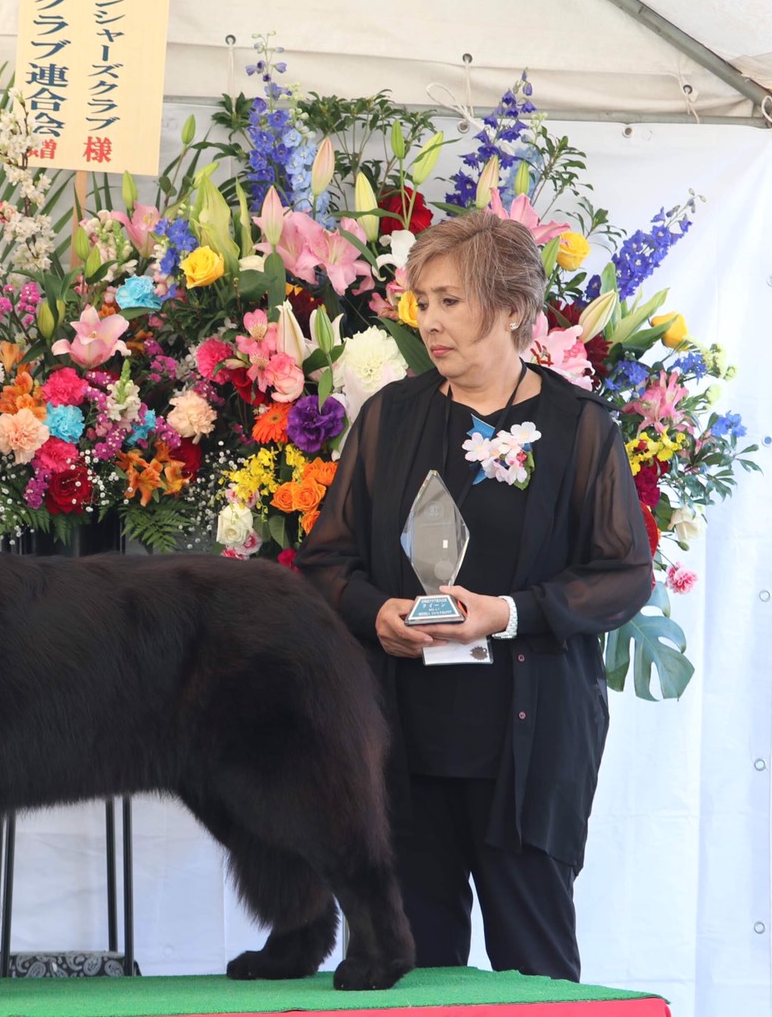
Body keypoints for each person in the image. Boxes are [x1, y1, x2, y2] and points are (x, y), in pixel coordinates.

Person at [297, 210, 652, 982]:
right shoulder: (389, 419)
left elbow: (626, 575)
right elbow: (325, 560)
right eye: (423, 301)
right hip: (402, 743)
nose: (429, 321)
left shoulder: (578, 428)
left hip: (525, 749)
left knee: (536, 968)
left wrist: (512, 612)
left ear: (513, 309)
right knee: (408, 970)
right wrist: (374, 614)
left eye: (450, 301)